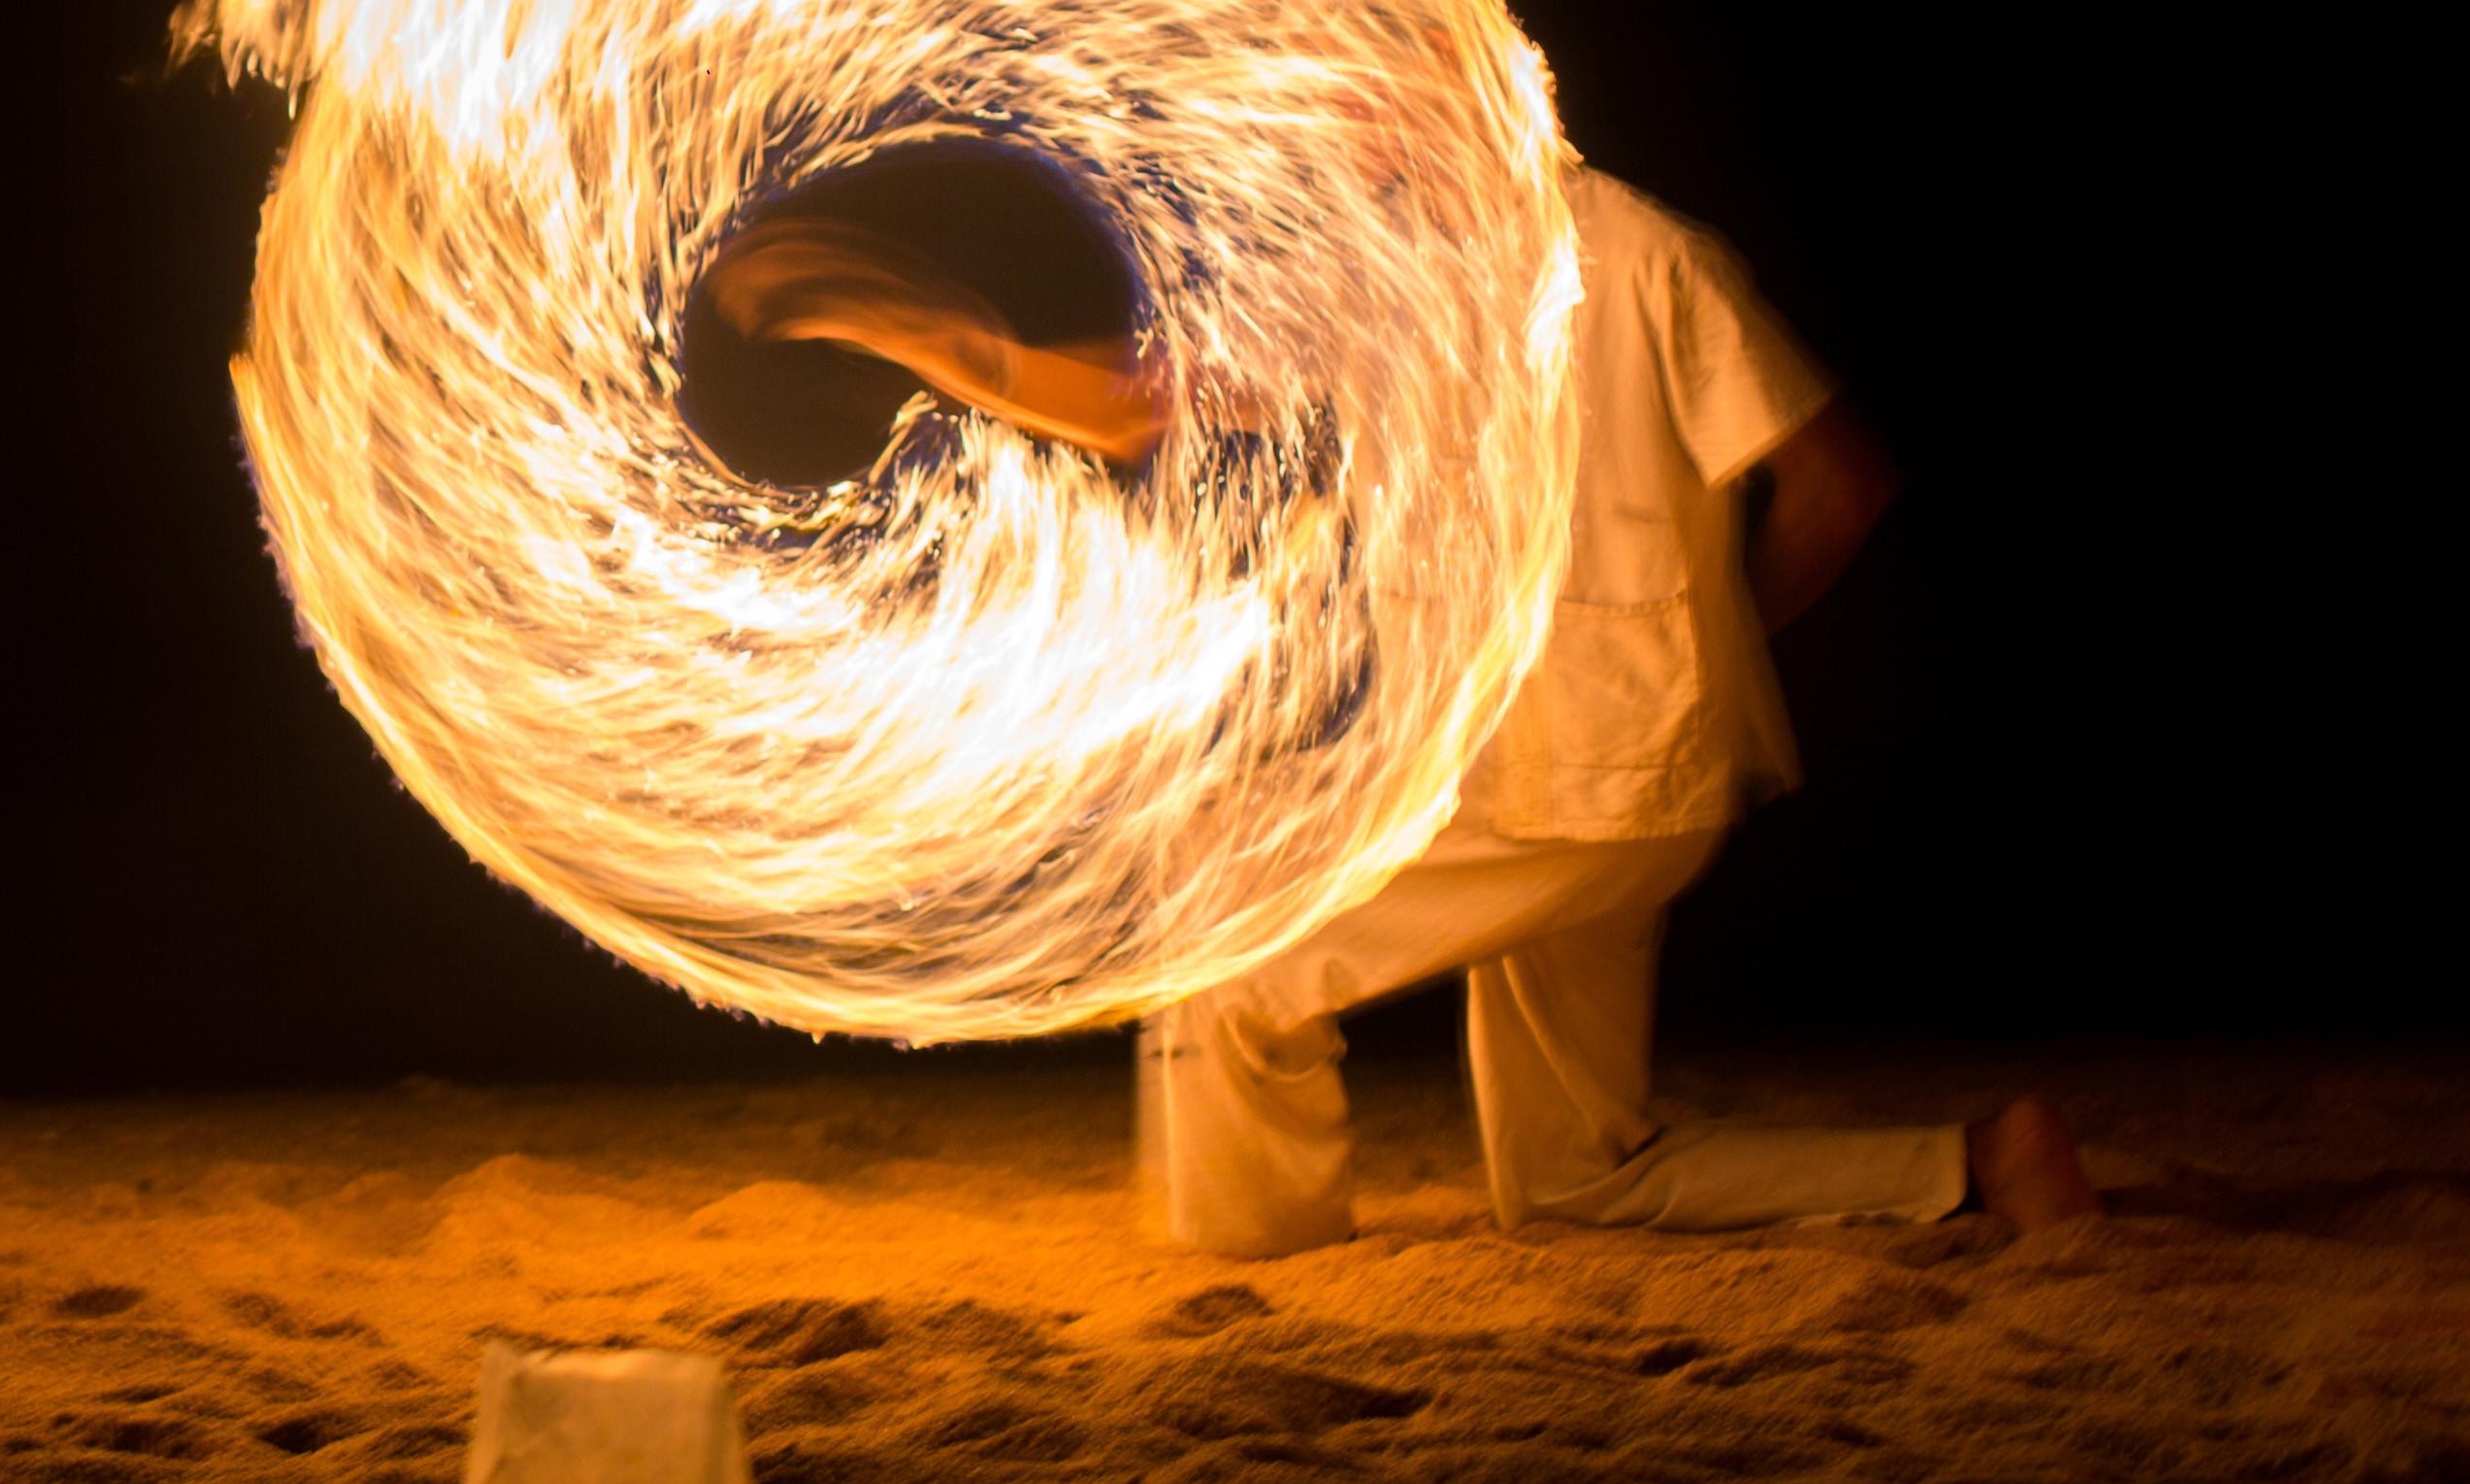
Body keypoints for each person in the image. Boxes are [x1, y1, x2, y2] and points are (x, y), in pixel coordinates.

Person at [710, 171, 2100, 1256]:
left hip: (1575, 783)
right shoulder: (1420, 277)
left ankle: (1250, 1270)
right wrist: (905, 327)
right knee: (1578, 1175)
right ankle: (1981, 1162)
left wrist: (1702, 653)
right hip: (1599, 774)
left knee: (1230, 948)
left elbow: (1840, 481)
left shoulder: (1611, 257)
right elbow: (1140, 407)